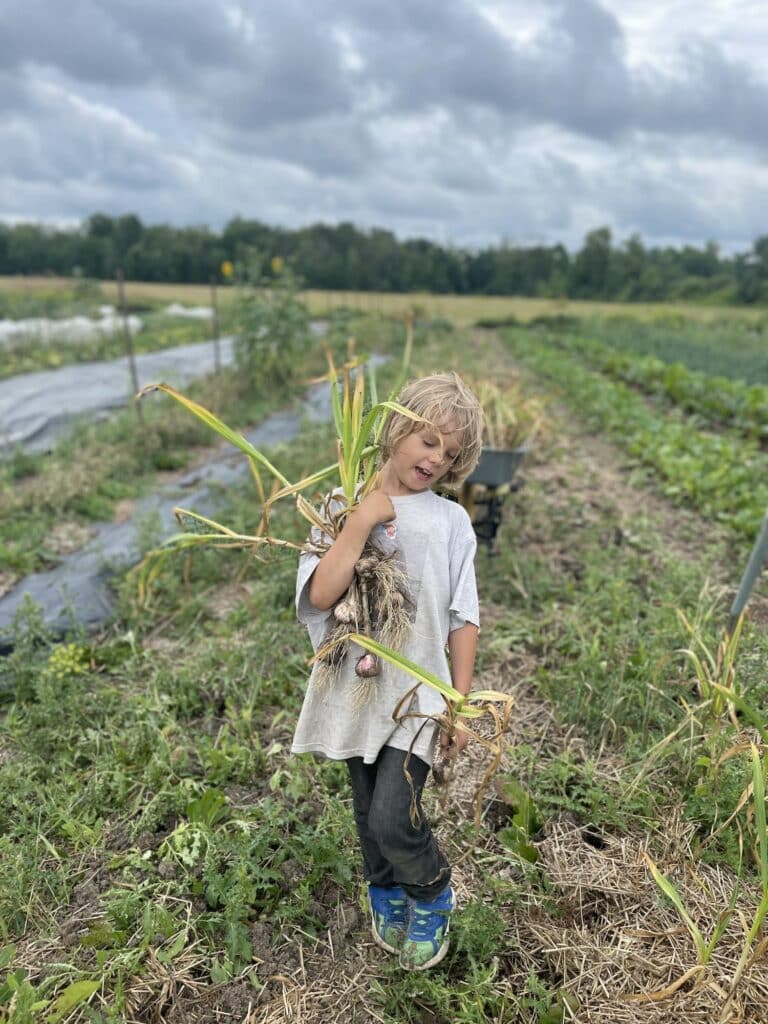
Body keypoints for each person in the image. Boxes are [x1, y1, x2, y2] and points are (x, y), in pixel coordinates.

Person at [291, 370, 484, 971]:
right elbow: (322, 595)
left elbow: (463, 619)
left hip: (417, 698)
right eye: (429, 440)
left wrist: (459, 701)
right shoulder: (338, 508)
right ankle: (385, 891)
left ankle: (431, 893)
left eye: (449, 453)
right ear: (397, 425)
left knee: (392, 816)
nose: (436, 459)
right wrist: (360, 520)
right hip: (355, 690)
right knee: (366, 805)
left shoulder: (451, 522)